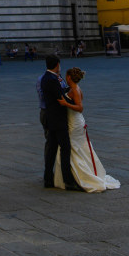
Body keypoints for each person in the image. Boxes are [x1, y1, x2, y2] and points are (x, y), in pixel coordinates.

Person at [54, 67, 120, 192]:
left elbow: (80, 107)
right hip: (74, 120)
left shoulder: (75, 90)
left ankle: (80, 175)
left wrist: (65, 104)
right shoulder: (74, 89)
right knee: (77, 147)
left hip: (75, 122)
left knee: (73, 147)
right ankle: (77, 173)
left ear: (69, 77)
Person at [40, 54, 83, 192]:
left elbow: (58, 93)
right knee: (65, 149)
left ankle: (48, 178)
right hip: (58, 120)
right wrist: (73, 98)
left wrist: (69, 91)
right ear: (57, 65)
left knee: (52, 149)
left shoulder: (45, 78)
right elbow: (60, 98)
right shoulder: (52, 79)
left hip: (51, 119)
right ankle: (68, 181)